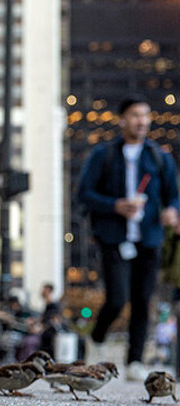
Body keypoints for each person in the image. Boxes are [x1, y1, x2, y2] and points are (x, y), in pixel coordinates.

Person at [78, 93, 180, 381]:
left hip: (148, 238)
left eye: (146, 115)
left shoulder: (160, 157)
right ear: (122, 120)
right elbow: (84, 194)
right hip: (113, 238)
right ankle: (96, 339)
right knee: (117, 297)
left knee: (142, 299)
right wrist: (115, 205)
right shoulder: (103, 155)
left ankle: (135, 360)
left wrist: (172, 211)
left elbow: (173, 195)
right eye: (136, 115)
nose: (142, 121)